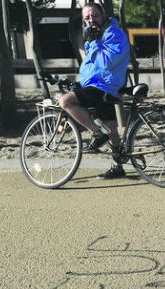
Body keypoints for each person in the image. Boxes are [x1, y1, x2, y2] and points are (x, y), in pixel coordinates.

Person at [58, 2, 130, 179]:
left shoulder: (114, 34)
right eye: (87, 18)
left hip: (105, 85)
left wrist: (95, 41)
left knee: (65, 102)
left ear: (103, 15)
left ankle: (96, 134)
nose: (91, 20)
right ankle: (118, 167)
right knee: (111, 129)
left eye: (94, 15)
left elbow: (106, 63)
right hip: (96, 85)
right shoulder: (95, 35)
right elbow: (91, 66)